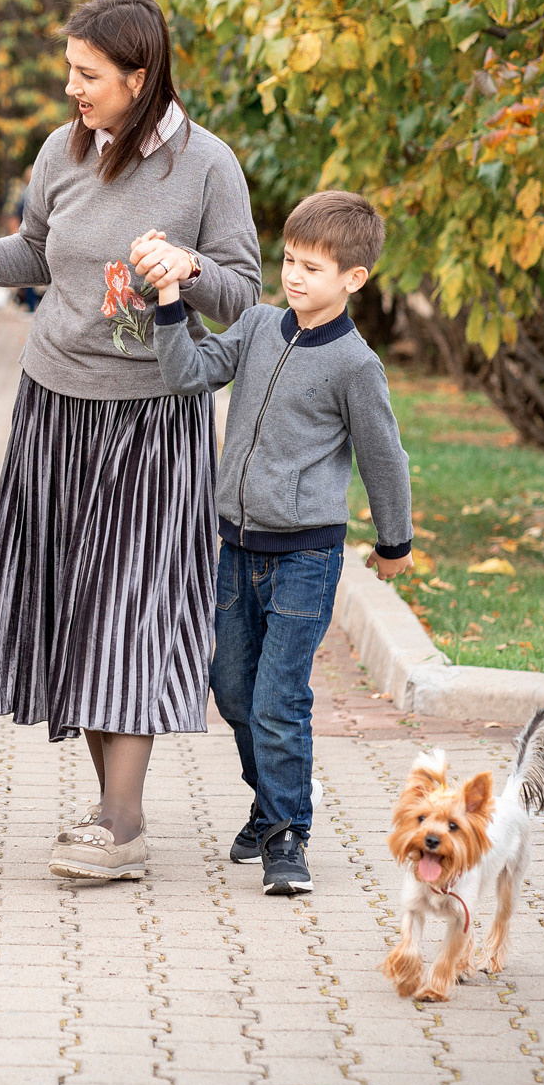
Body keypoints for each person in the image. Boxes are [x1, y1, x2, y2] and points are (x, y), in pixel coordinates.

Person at [0, 0, 263, 881]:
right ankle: (113, 816)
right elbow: (35, 251)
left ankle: (122, 821)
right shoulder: (62, 152)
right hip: (55, 407)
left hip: (154, 416)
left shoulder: (207, 166)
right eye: (70, 69)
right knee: (80, 605)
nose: (72, 86)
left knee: (130, 606)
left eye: (88, 73)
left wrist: (190, 267)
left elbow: (246, 294)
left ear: (140, 78)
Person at [145, 190, 415, 896]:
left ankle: (286, 835)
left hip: (306, 554)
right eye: (289, 260)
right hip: (236, 546)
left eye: (312, 268)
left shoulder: (355, 365)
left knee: (278, 696)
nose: (294, 276)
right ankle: (271, 800)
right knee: (232, 688)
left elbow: (383, 457)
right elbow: (189, 374)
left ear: (354, 278)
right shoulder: (260, 325)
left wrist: (395, 540)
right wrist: (170, 300)